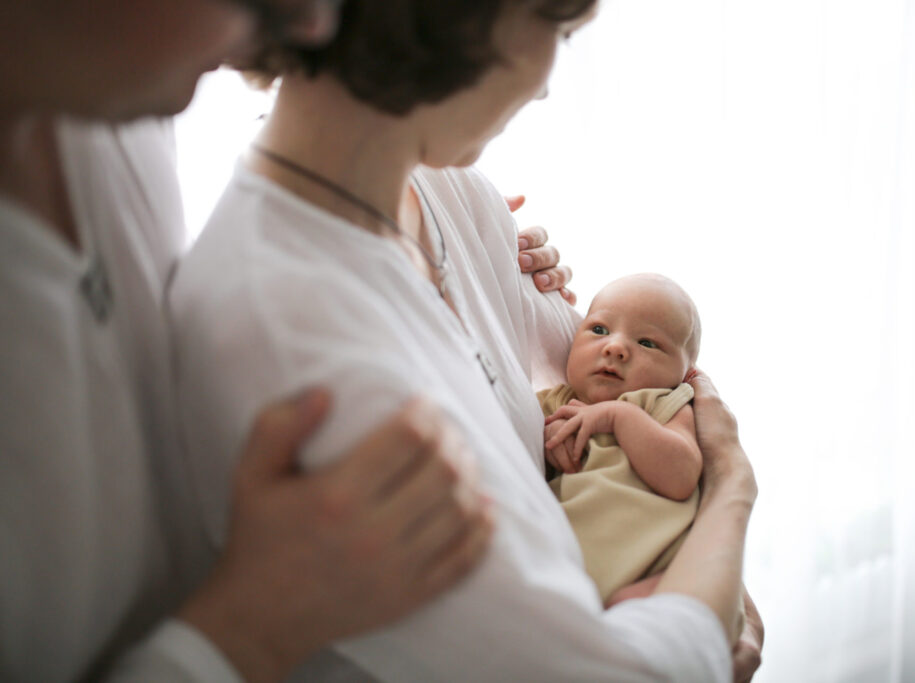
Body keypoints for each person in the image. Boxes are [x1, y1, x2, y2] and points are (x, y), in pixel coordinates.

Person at [0, 0, 599, 678]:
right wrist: (250, 624)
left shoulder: (122, 97)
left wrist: (435, 273)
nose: (318, 23)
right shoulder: (284, 330)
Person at [171, 0, 761, 679]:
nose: (543, 85)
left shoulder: (453, 195)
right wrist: (732, 500)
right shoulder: (290, 334)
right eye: (553, 30)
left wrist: (698, 569)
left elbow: (636, 380)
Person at [540, 273, 704, 603]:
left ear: (685, 374)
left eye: (647, 343)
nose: (615, 347)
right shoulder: (555, 403)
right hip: (570, 569)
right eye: (599, 330)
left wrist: (619, 417)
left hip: (656, 570)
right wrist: (547, 436)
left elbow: (682, 476)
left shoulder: (662, 404)